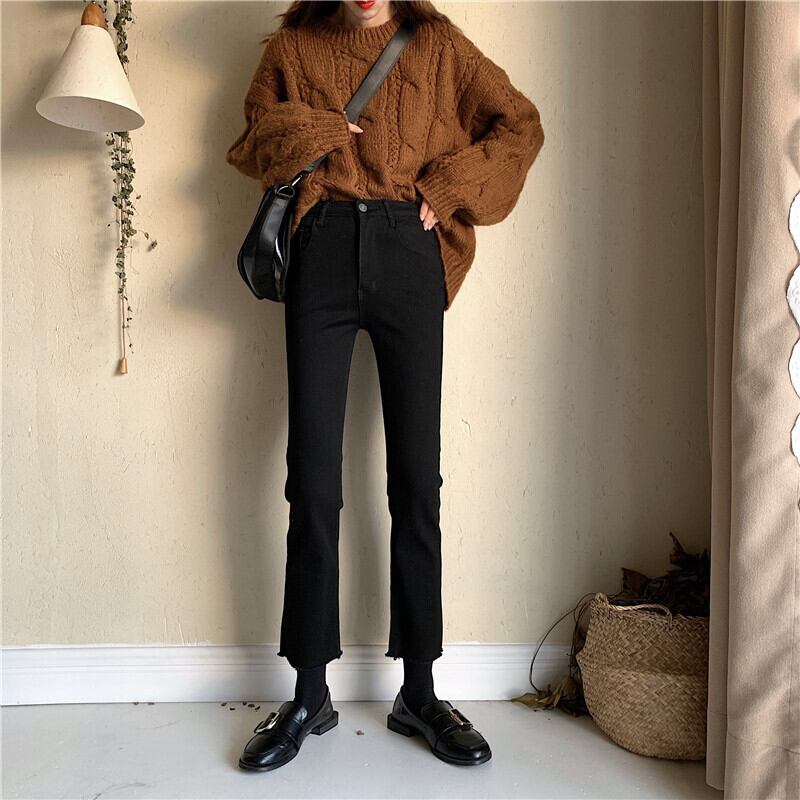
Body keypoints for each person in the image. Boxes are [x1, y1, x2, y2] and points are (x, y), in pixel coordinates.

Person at [225, 0, 544, 772]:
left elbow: (520, 124)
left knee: (416, 481)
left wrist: (453, 181)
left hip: (408, 250)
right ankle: (309, 694)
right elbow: (256, 139)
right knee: (313, 480)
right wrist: (325, 130)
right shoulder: (295, 47)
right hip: (323, 248)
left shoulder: (439, 45)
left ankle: (420, 693)